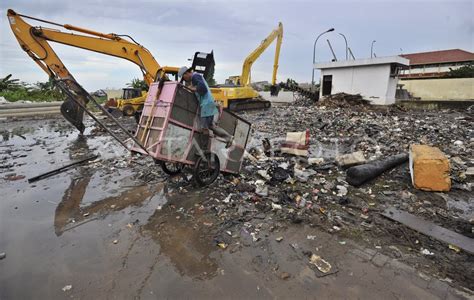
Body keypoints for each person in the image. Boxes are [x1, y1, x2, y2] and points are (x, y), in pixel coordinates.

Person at [178, 66, 234, 147]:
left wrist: (192, 88)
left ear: (186, 73)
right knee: (210, 125)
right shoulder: (196, 76)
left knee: (204, 127)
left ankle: (204, 148)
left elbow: (203, 88)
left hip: (206, 104)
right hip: (208, 103)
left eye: (184, 77)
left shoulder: (195, 76)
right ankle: (228, 138)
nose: (185, 79)